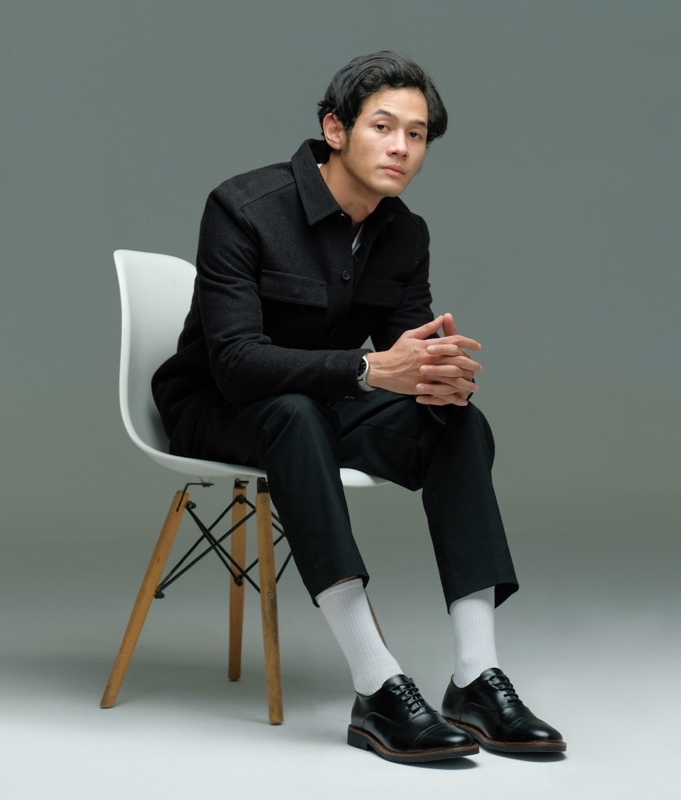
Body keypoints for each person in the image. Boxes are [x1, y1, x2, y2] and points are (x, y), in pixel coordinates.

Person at [152, 51, 565, 765]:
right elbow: (237, 363)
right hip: (215, 405)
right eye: (383, 126)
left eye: (417, 134)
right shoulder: (243, 206)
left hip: (323, 405)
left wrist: (440, 379)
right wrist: (372, 369)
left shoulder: (405, 233)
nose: (402, 146)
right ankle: (376, 683)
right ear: (334, 129)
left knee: (458, 424)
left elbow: (406, 355)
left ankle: (475, 676)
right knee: (294, 414)